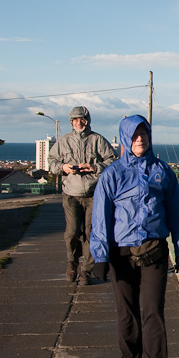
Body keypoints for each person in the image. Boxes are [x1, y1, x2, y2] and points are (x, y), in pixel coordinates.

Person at [90, 115, 179, 358]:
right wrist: (100, 256)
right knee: (127, 312)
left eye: (143, 134)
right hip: (121, 254)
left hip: (154, 251)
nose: (139, 139)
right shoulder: (112, 175)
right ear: (125, 138)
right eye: (134, 135)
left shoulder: (162, 171)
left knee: (153, 310)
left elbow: (177, 213)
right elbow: (100, 218)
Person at [47, 106, 117, 284]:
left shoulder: (97, 140)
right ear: (71, 122)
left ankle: (86, 270)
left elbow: (113, 160)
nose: (79, 123)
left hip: (94, 194)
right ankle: (72, 263)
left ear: (88, 121)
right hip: (71, 194)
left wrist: (95, 167)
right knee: (72, 232)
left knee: (91, 232)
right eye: (75, 120)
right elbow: (51, 162)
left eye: (82, 119)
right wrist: (63, 168)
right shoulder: (63, 141)